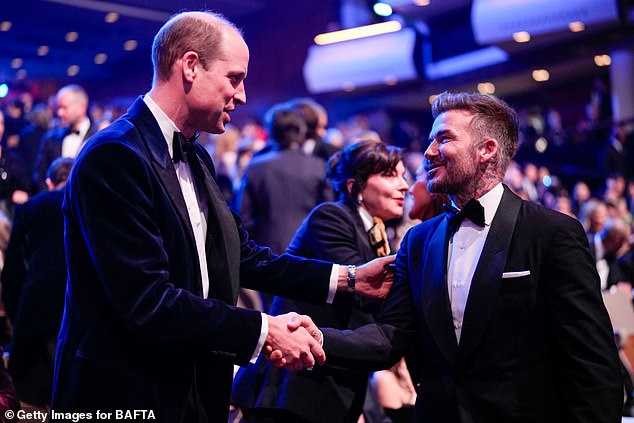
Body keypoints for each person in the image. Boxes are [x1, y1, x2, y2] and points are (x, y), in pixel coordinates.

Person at [51, 11, 393, 423]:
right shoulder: (114, 156)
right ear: (191, 66)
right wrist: (266, 330)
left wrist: (350, 279)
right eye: (235, 78)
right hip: (126, 393)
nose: (244, 95)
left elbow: (243, 255)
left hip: (194, 388)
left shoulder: (196, 156)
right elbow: (147, 301)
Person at [292, 92, 623, 423]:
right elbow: (390, 336)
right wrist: (316, 339)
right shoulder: (418, 241)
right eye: (430, 140)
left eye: (443, 138)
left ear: (486, 150)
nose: (428, 152)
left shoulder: (551, 233)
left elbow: (591, 361)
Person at [232, 140, 408, 423]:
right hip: (292, 386)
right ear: (355, 186)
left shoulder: (377, 233)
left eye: (404, 176)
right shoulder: (331, 217)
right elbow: (363, 295)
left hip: (329, 385)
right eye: (390, 175)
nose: (404, 186)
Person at [1, 157, 73, 413]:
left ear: (49, 182)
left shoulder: (32, 207)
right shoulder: (91, 203)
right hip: (78, 304)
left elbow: (12, 270)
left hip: (37, 305)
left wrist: (14, 310)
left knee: (30, 402)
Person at [32, 84, 97, 192]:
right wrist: (51, 198)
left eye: (64, 107)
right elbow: (39, 175)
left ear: (82, 108)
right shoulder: (50, 138)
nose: (59, 113)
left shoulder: (98, 138)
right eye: (59, 108)